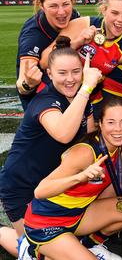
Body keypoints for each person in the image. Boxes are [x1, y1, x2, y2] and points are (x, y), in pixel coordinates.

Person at [0, 37, 100, 257]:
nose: (70, 79)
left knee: (57, 241)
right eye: (62, 73)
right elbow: (64, 134)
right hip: (22, 184)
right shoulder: (45, 101)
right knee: (32, 250)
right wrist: (86, 88)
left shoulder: (83, 99)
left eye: (76, 72)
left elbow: (88, 135)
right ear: (50, 74)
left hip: (49, 182)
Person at [18, 98, 122, 260]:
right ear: (100, 124)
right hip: (47, 223)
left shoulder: (117, 148)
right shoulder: (85, 153)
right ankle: (33, 250)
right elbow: (40, 191)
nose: (118, 129)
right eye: (111, 122)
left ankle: (88, 246)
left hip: (78, 216)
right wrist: (80, 177)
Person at [42, 0, 122, 110]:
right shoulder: (82, 24)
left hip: (90, 103)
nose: (120, 20)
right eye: (114, 13)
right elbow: (44, 61)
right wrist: (77, 42)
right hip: (58, 96)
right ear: (104, 10)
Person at [15, 0, 81, 109]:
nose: (62, 12)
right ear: (42, 6)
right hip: (40, 101)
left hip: (67, 88)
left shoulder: (74, 16)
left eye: (66, 4)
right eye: (53, 6)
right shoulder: (33, 33)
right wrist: (28, 83)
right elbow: (22, 83)